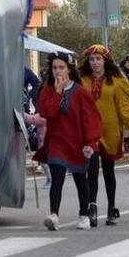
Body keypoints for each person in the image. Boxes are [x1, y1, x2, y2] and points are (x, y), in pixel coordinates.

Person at [37, 52, 102, 231]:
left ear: (69, 69)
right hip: (57, 142)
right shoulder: (47, 90)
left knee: (81, 179)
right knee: (56, 178)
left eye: (61, 67)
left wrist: (90, 142)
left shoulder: (80, 92)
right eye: (55, 68)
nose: (58, 71)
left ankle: (83, 214)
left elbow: (91, 118)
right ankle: (54, 215)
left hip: (78, 143)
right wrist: (57, 93)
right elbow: (46, 113)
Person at [79, 44, 129, 227]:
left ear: (105, 61)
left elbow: (125, 107)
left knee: (108, 170)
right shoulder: (83, 81)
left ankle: (112, 207)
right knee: (91, 169)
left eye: (98, 59)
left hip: (111, 131)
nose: (95, 63)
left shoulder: (116, 81)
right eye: (92, 59)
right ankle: (92, 207)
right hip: (90, 132)